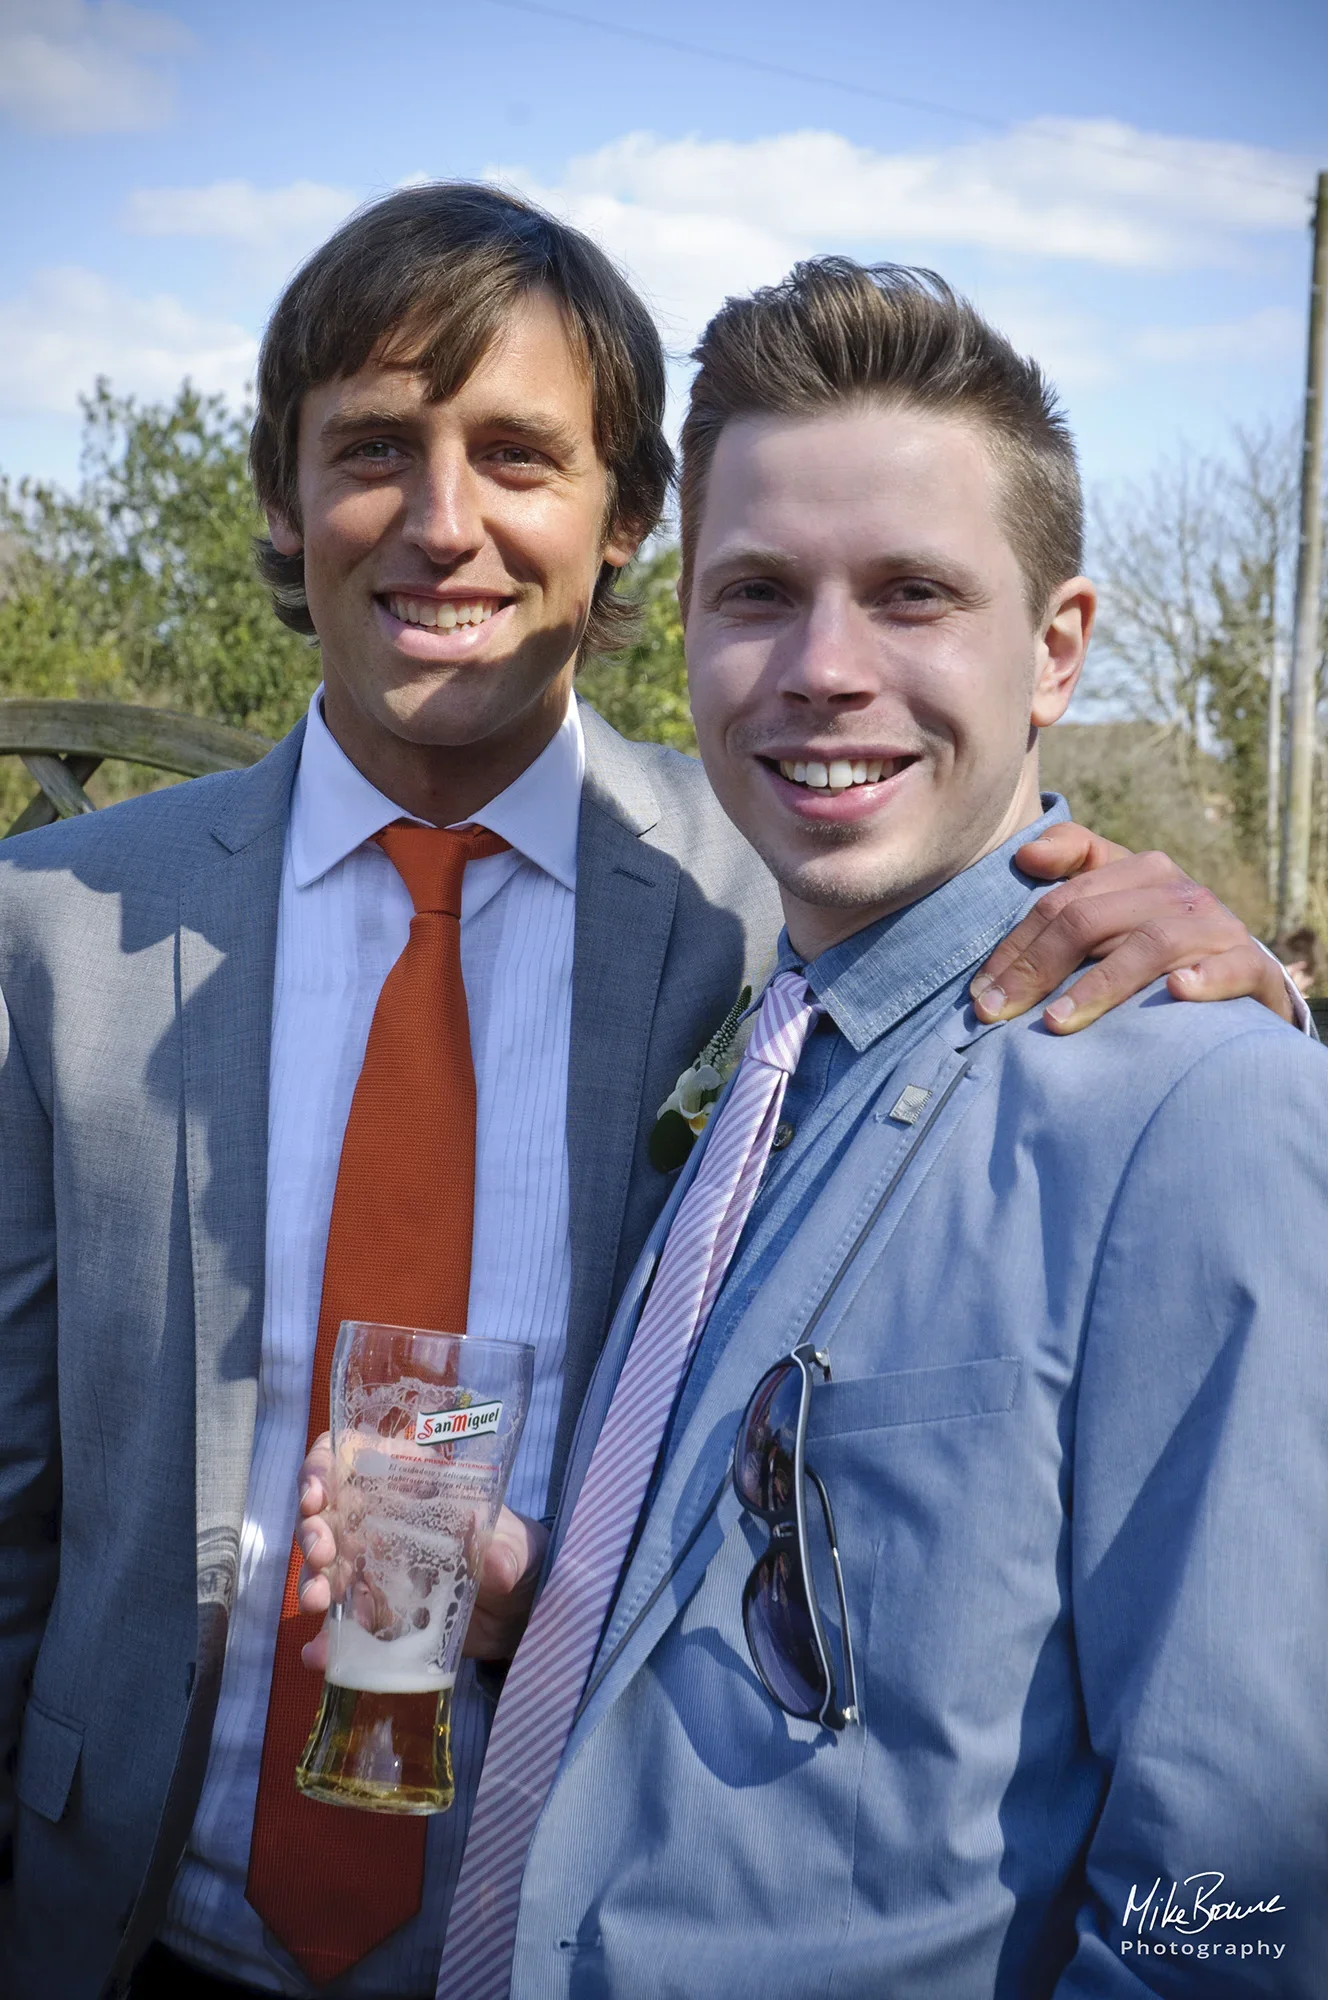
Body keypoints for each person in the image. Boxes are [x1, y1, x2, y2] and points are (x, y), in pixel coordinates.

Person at [0, 184, 1303, 2000]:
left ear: (624, 531)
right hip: (129, 1925)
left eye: (519, 455)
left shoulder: (768, 894)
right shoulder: (55, 924)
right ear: (283, 505)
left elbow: (983, 870)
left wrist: (1200, 938)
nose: (442, 523)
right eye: (373, 447)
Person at [412, 261, 1322, 1998]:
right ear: (684, 628)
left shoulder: (1203, 1108)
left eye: (912, 594)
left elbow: (1244, 1911)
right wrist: (565, 1621)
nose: (825, 670)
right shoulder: (753, 1042)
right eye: (759, 593)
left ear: (1055, 649)